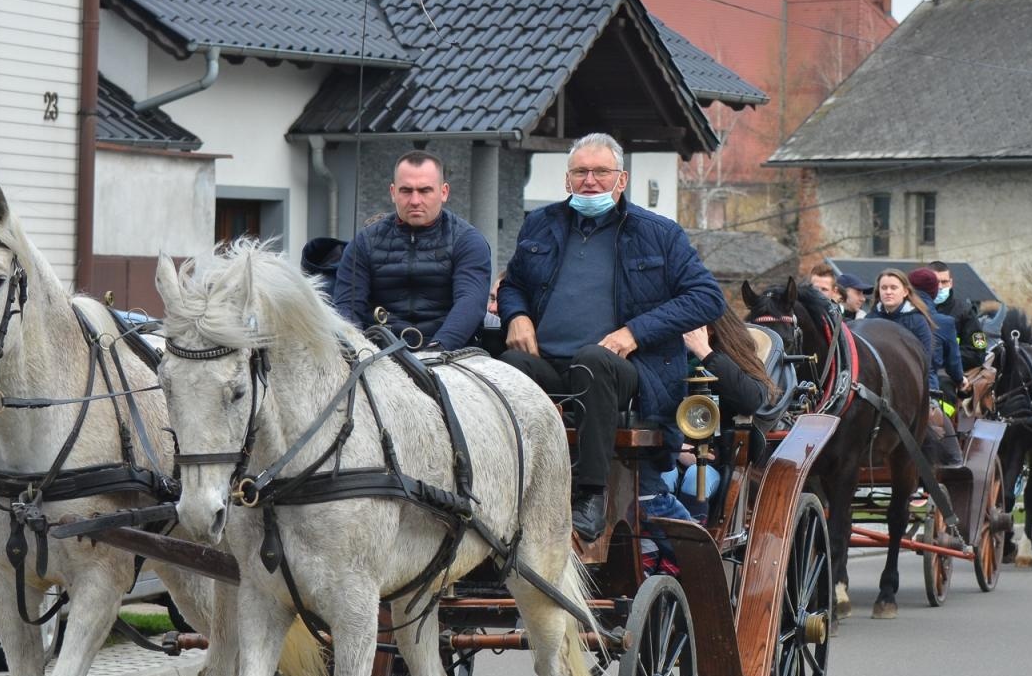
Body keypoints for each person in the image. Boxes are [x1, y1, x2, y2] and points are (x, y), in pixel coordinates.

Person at [498, 133, 724, 540]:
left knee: (593, 360)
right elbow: (513, 283)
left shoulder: (659, 233)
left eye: (601, 172)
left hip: (626, 374)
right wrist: (516, 316)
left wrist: (634, 333)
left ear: (621, 180)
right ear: (567, 180)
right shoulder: (540, 225)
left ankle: (591, 495)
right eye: (580, 172)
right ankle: (507, 485)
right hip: (550, 365)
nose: (590, 180)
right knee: (508, 367)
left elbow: (707, 299)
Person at [333, 152, 492, 350]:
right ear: (393, 192)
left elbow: (470, 304)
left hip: (451, 355)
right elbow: (347, 308)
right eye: (406, 191)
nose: (415, 200)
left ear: (444, 192)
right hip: (377, 353)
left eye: (425, 190)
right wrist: (355, 350)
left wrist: (437, 349)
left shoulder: (468, 241)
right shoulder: (364, 243)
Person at [671, 308, 779, 521]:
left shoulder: (730, 358)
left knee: (695, 478)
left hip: (715, 459)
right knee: (660, 476)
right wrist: (673, 447)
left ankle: (692, 546)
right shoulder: (667, 359)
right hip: (664, 451)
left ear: (709, 329)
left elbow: (751, 399)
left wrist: (705, 352)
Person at [868, 269, 936, 392]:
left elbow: (925, 358)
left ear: (905, 291)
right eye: (884, 288)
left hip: (911, 383)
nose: (888, 292)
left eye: (893, 288)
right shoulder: (869, 319)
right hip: (876, 383)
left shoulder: (917, 321)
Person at [909, 267, 966, 404]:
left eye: (945, 282)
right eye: (938, 283)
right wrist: (959, 379)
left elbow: (976, 351)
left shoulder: (963, 309)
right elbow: (954, 361)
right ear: (934, 290)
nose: (941, 287)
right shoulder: (944, 322)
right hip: (930, 389)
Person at [930, 260, 989, 371]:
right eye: (935, 282)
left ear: (951, 283)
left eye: (944, 282)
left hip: (949, 374)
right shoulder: (913, 308)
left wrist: (944, 357)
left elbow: (978, 353)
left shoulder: (965, 311)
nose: (940, 287)